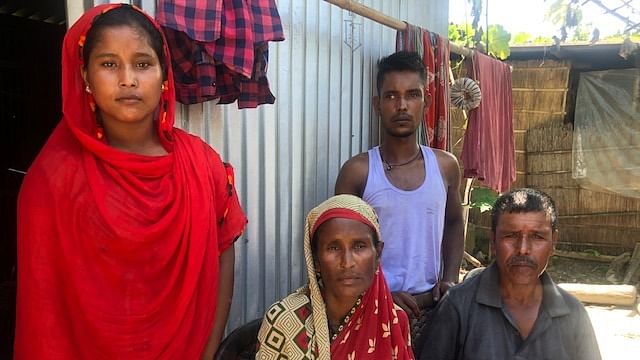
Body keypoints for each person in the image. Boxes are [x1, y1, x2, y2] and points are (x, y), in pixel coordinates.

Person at [14, 4, 247, 359]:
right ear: (86, 77)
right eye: (109, 64)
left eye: (142, 63)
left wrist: (209, 348)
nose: (128, 79)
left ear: (164, 75)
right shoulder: (54, 180)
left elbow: (223, 251)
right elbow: (44, 309)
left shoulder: (202, 165)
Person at [335, 51, 464, 331]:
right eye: (391, 96)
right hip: (372, 313)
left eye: (412, 95)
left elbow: (453, 222)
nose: (402, 105)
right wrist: (377, 295)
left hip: (432, 311)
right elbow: (337, 252)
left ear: (426, 102)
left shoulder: (445, 166)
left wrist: (450, 280)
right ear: (377, 105)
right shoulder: (358, 172)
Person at [417, 188, 602, 360]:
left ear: (553, 242)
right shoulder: (458, 306)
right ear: (493, 241)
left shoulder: (573, 314)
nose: (523, 249)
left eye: (537, 237)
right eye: (511, 236)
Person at [256, 195, 414, 359]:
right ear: (316, 260)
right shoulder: (284, 320)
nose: (347, 262)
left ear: (378, 254)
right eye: (333, 248)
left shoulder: (392, 318)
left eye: (359, 246)